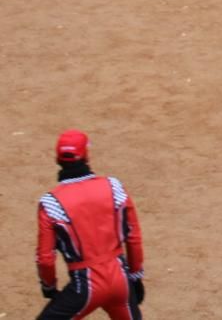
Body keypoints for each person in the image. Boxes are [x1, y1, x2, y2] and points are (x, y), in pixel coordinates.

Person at [35, 130, 145, 320]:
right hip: (120, 280)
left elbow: (45, 258)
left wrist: (49, 287)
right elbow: (133, 236)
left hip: (84, 286)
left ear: (58, 159)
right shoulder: (114, 186)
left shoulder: (50, 203)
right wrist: (135, 277)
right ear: (86, 156)